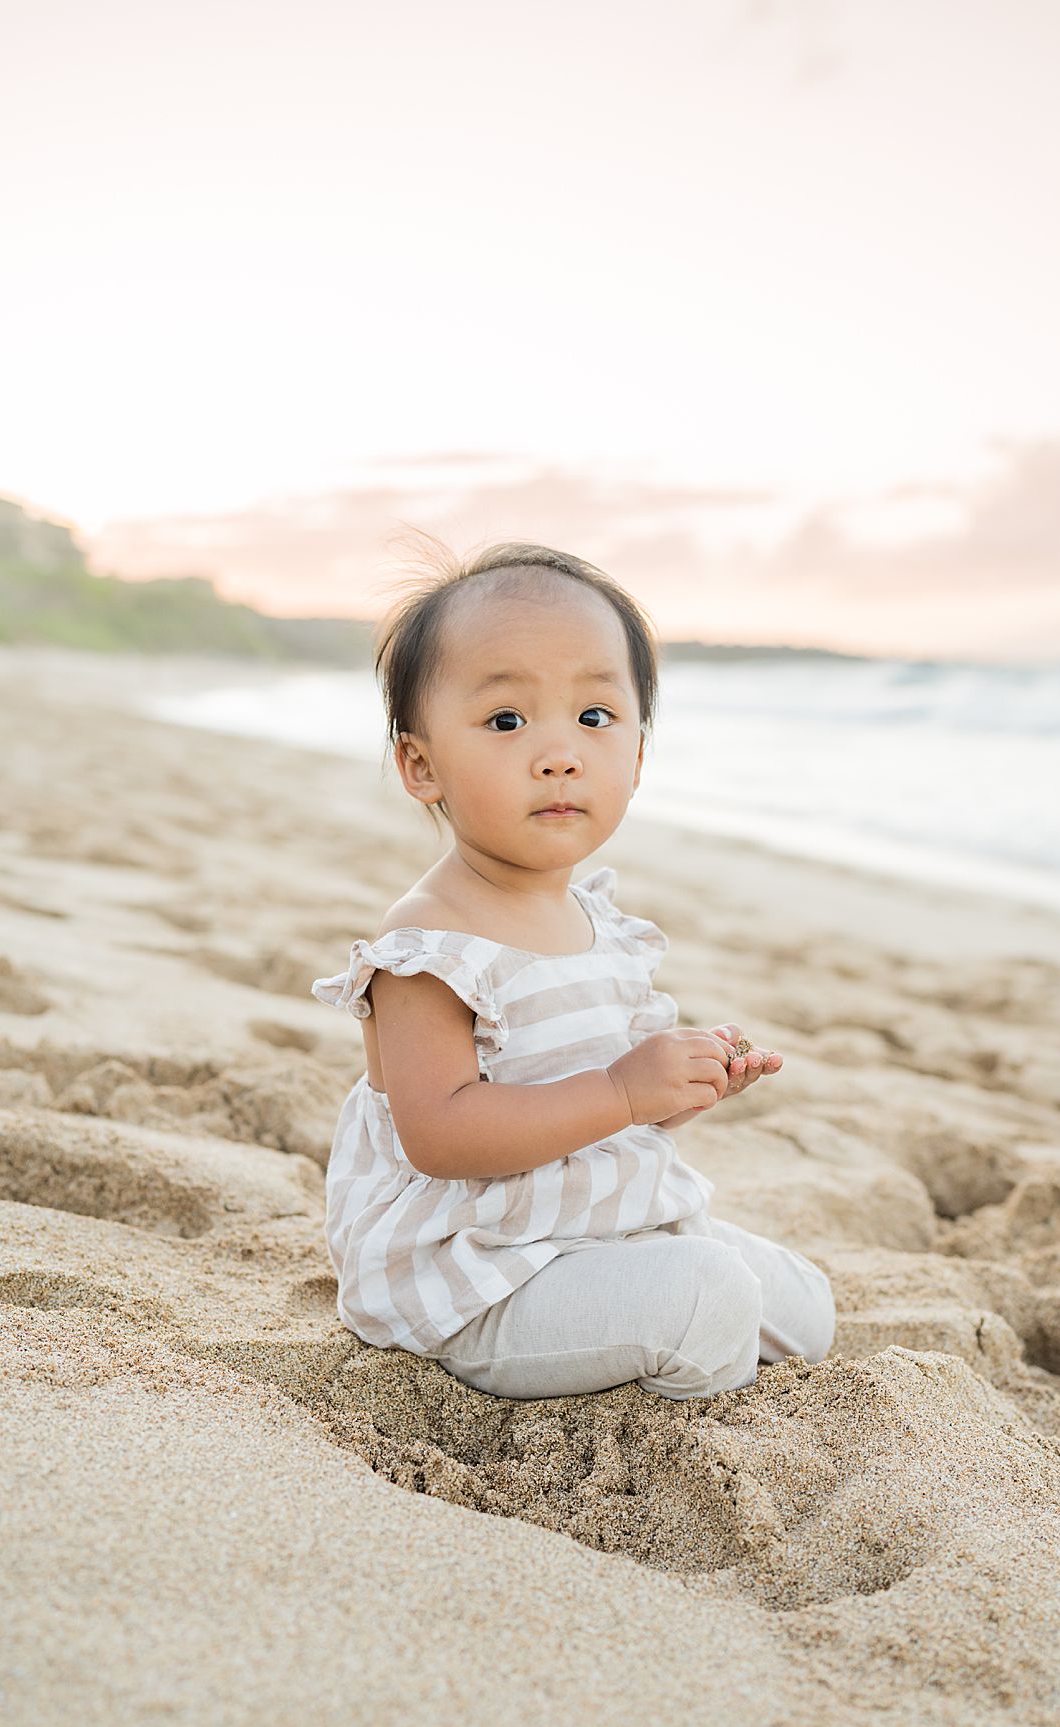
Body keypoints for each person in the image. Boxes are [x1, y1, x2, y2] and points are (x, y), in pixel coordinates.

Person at [312, 537, 836, 1400]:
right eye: (508, 721)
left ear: (637, 754)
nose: (559, 753)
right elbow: (440, 1137)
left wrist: (677, 1091)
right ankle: (682, 1439)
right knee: (709, 1296)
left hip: (595, 1225)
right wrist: (624, 1091)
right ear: (422, 763)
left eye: (595, 718)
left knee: (808, 1307)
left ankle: (660, 1328)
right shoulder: (428, 946)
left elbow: (603, 1108)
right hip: (479, 1272)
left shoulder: (603, 922)